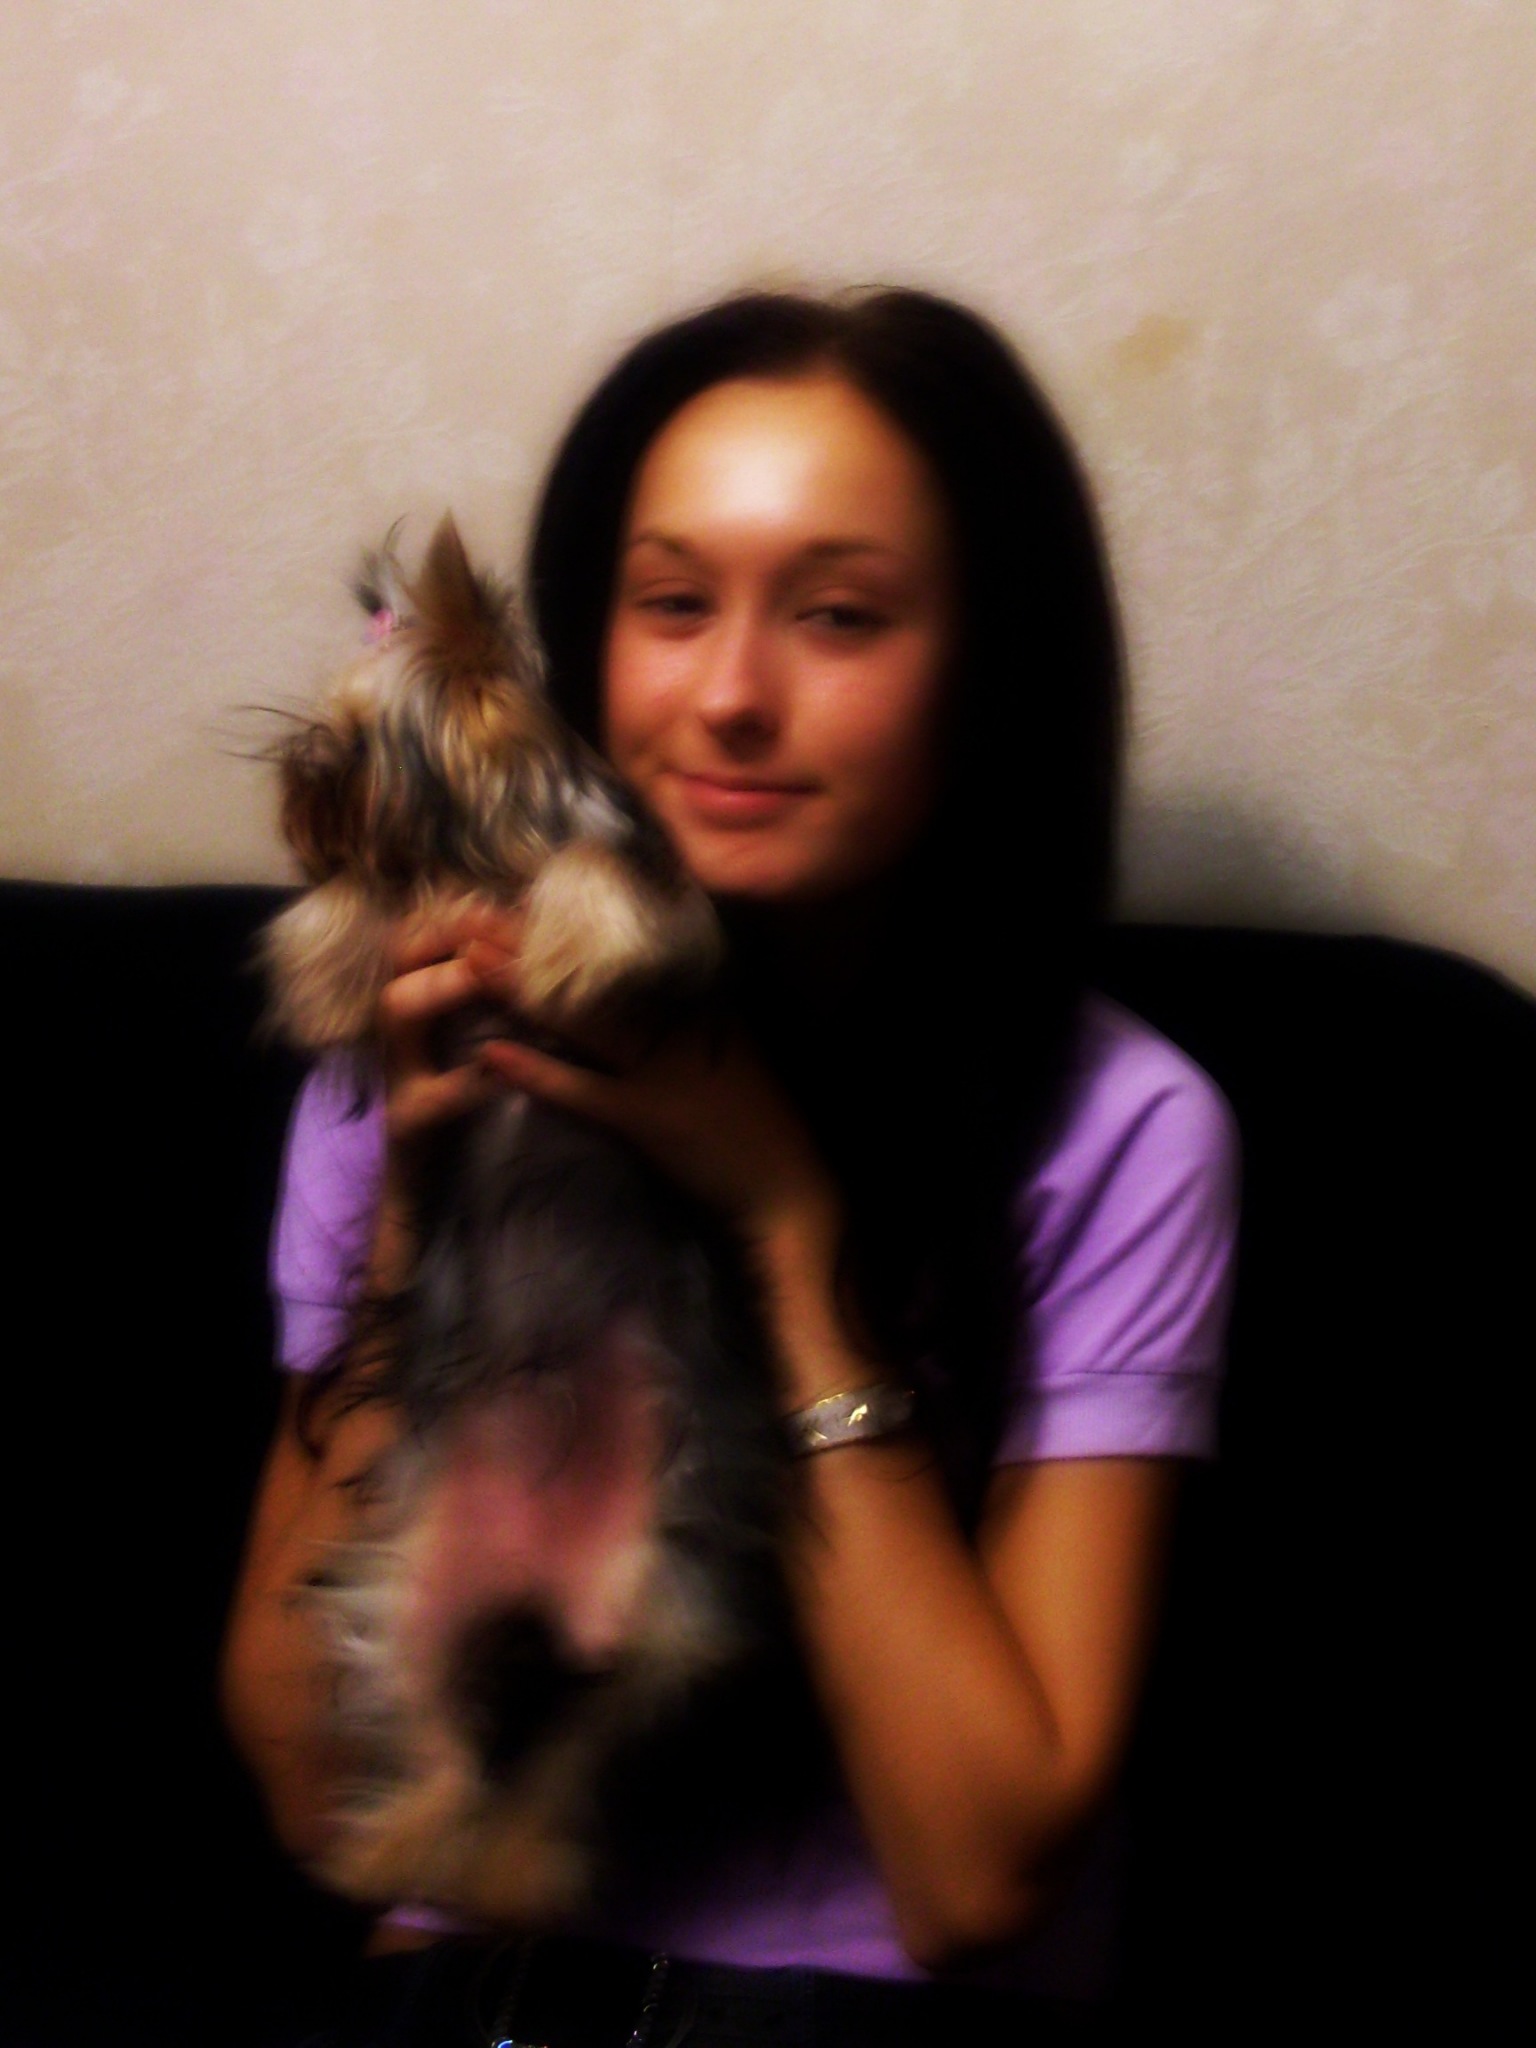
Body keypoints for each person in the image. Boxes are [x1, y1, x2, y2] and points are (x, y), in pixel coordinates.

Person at [222, 288, 1239, 2046]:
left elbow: (978, 1877)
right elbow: (320, 1794)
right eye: (672, 604)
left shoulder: (1121, 1131)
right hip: (480, 1989)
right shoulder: (420, 1042)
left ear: (986, 670)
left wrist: (779, 1224)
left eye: (841, 617)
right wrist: (411, 1232)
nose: (732, 696)